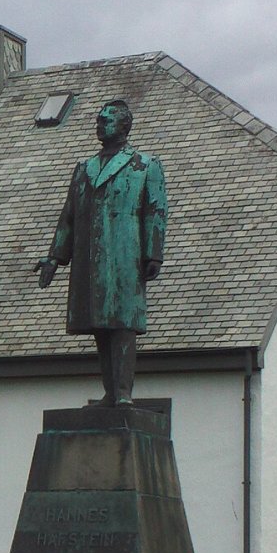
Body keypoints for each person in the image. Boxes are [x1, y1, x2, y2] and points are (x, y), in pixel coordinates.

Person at [34, 98, 166, 406]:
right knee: (99, 324)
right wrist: (55, 257)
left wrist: (153, 253)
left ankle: (123, 393)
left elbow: (155, 211)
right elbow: (68, 215)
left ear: (124, 126)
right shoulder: (84, 168)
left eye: (106, 120)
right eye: (98, 120)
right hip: (89, 257)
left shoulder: (144, 165)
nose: (99, 125)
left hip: (125, 254)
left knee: (122, 323)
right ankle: (110, 391)